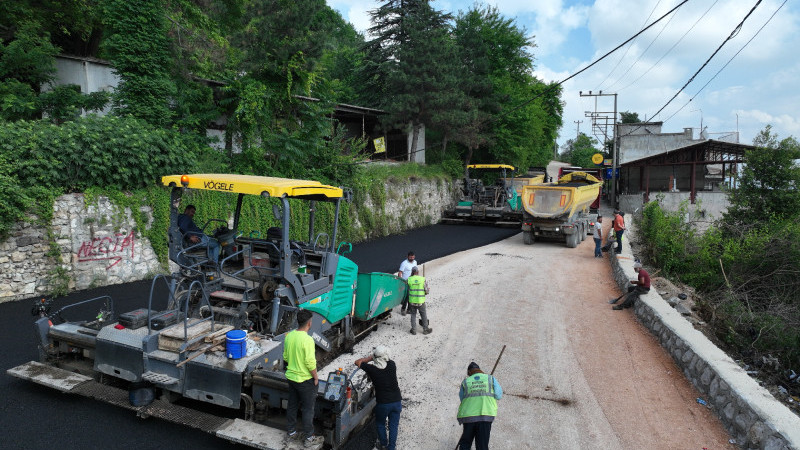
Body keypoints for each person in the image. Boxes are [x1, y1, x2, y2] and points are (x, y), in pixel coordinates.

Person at [283, 309, 324, 448]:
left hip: (291, 378)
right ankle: (308, 438)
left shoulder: (289, 336)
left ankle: (291, 432)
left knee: (292, 405)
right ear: (309, 323)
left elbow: (286, 357)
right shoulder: (308, 340)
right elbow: (310, 363)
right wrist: (316, 377)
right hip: (305, 381)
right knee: (308, 409)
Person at [354, 346, 402, 450]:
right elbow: (386, 359)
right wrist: (377, 357)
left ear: (375, 358)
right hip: (397, 401)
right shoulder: (392, 365)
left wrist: (369, 358)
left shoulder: (372, 369)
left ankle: (383, 444)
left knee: (380, 423)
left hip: (383, 403)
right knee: (393, 425)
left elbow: (357, 362)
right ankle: (391, 447)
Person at [457, 362, 503, 450]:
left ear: (469, 372)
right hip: (485, 416)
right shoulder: (490, 378)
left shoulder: (466, 381)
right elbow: (498, 395)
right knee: (482, 446)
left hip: (468, 417)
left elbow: (462, 398)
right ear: (480, 370)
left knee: (465, 444)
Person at [406, 266, 432, 335]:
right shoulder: (422, 279)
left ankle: (414, 330)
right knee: (423, 315)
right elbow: (426, 291)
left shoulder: (409, 279)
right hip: (420, 301)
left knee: (413, 315)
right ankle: (425, 329)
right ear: (417, 272)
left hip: (412, 301)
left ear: (412, 272)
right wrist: (426, 291)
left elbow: (407, 290)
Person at [397, 251, 417, 316]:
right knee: (407, 296)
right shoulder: (404, 263)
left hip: (413, 282)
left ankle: (409, 309)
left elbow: (415, 271)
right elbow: (400, 273)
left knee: (411, 296)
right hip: (406, 282)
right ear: (408, 257)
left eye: (413, 257)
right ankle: (403, 309)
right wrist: (401, 281)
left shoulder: (415, 262)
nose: (412, 258)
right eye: (411, 257)